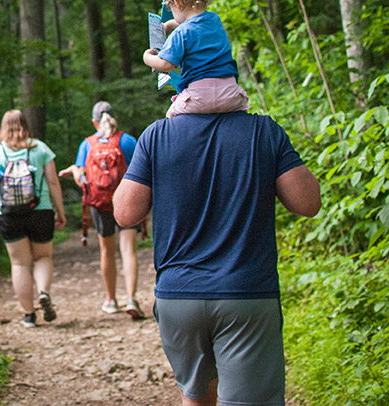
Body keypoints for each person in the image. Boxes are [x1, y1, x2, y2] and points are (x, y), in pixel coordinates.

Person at [113, 111, 321, 406]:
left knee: (196, 398)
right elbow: (308, 203)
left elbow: (124, 213)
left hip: (179, 298)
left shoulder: (156, 136)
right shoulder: (263, 131)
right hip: (246, 294)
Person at [58, 101, 144, 319]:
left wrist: (74, 172)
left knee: (107, 250)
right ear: (115, 118)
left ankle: (111, 300)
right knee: (128, 250)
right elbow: (140, 172)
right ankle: (132, 298)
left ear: (94, 122)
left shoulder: (87, 144)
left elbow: (82, 178)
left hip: (100, 203)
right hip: (126, 200)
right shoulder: (128, 141)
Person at [0, 110, 67, 328]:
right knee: (43, 257)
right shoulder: (40, 148)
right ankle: (43, 292)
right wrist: (60, 211)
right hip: (40, 211)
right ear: (25, 125)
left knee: (20, 263)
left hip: (9, 214)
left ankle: (29, 315)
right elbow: (52, 183)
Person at [143, 0, 249, 118]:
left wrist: (147, 57)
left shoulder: (181, 33)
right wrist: (171, 25)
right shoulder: (215, 20)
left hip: (200, 97)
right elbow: (197, 27)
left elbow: (166, 64)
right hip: (231, 94)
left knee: (170, 117)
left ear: (176, 3)